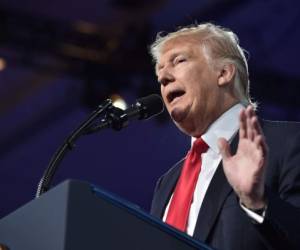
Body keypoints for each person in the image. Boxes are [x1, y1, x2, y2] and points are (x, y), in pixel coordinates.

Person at [149, 23, 300, 250]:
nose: (163, 78)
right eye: (159, 72)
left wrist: (257, 202)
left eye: (179, 61)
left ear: (224, 73)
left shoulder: (289, 141)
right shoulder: (167, 183)